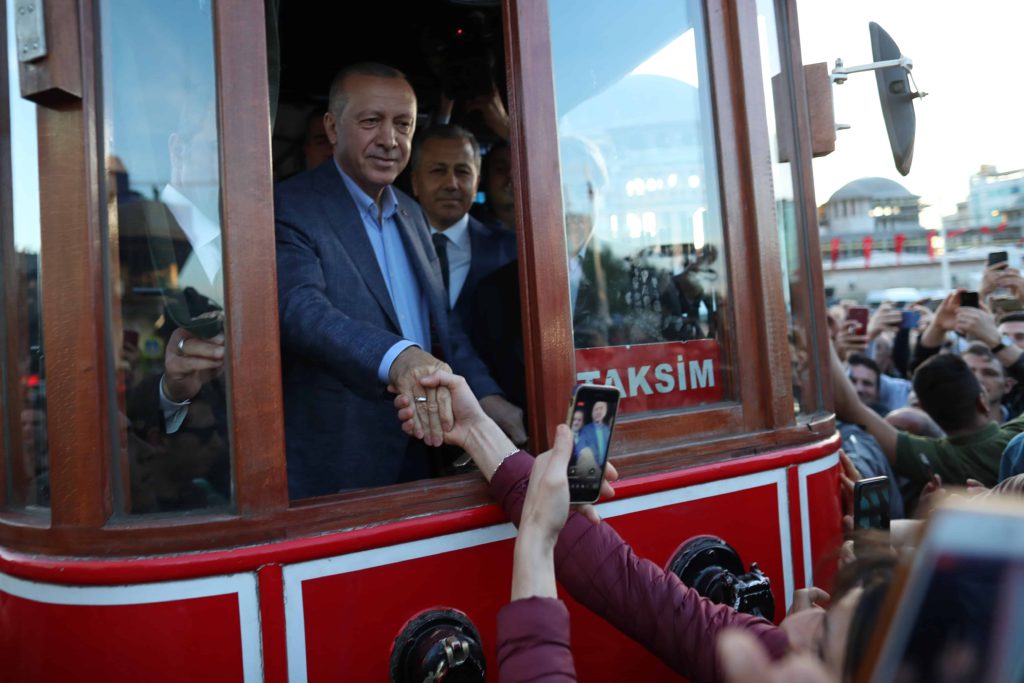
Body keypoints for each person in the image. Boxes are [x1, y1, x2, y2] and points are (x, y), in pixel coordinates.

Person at [393, 372, 890, 683]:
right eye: (826, 609)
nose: (795, 618)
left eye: (820, 642)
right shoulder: (777, 651)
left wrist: (538, 540)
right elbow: (631, 589)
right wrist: (477, 430)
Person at [274, 62, 524, 497]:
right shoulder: (290, 206)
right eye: (371, 121)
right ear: (332, 128)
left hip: (426, 451)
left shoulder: (411, 212)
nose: (390, 140)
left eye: (403, 124)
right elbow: (302, 312)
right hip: (340, 465)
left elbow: (441, 326)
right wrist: (400, 358)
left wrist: (488, 398)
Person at [410, 124, 516, 335]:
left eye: (462, 171)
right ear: (415, 182)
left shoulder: (512, 252)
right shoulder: (391, 246)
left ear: (476, 184)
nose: (451, 184)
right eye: (438, 171)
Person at [574, 399, 612, 470]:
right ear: (592, 412)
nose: (598, 412)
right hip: (592, 468)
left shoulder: (607, 429)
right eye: (596, 409)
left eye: (601, 408)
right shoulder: (585, 429)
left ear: (605, 411)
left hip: (606, 466)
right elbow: (580, 446)